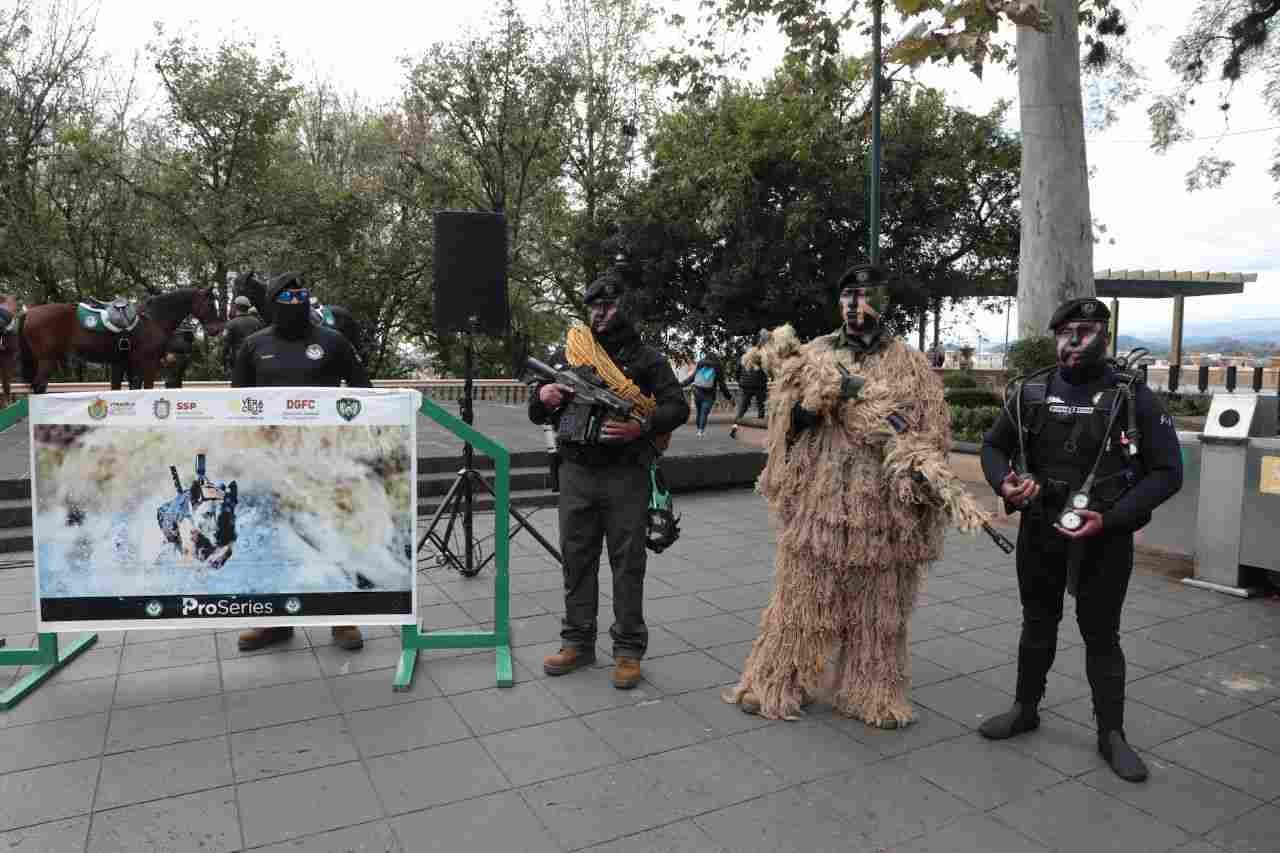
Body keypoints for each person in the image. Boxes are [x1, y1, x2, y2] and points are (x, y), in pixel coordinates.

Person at [725, 264, 993, 726]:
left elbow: (930, 432)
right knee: (802, 598)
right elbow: (781, 425)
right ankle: (777, 680)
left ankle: (871, 693)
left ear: (883, 301)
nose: (854, 304)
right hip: (821, 505)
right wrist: (809, 409)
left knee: (879, 607)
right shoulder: (814, 353)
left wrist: (918, 472)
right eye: (847, 294)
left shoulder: (911, 364)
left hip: (883, 510)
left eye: (865, 294)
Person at [978, 297, 1182, 783]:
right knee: (1037, 623)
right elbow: (992, 447)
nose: (1073, 342)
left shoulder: (1132, 397)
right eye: (1065, 332)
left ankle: (1112, 733)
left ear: (1104, 337)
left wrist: (1112, 519)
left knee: (1101, 634)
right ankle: (1025, 708)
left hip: (1103, 536)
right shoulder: (1031, 391)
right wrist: (1004, 483)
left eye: (1085, 332)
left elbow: (1168, 472)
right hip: (1040, 528)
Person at [529, 268, 689, 689]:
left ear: (624, 307)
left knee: (627, 564)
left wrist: (642, 426)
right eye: (595, 307)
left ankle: (628, 650)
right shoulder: (570, 353)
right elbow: (537, 408)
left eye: (609, 305)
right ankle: (577, 643)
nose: (600, 313)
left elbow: (678, 407)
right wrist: (542, 396)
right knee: (576, 560)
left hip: (625, 474)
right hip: (576, 472)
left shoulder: (647, 359)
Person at [232, 271, 373, 653]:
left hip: (325, 460)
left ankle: (341, 618)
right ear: (271, 304)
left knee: (329, 534)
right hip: (270, 462)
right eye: (286, 298)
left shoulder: (333, 341)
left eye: (300, 297)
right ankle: (275, 622)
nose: (294, 304)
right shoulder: (254, 345)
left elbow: (364, 395)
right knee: (272, 539)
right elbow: (235, 404)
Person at [681, 351, 733, 437]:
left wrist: (681, 384)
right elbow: (722, 385)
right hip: (709, 393)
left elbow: (692, 378)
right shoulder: (717, 366)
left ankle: (699, 429)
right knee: (704, 412)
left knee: (699, 411)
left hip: (697, 391)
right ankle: (700, 430)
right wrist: (729, 397)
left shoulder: (701, 364)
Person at [729, 329, 770, 439]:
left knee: (742, 409)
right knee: (761, 407)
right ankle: (760, 431)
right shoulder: (763, 355)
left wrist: (740, 381)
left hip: (745, 385)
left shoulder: (745, 355)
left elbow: (737, 370)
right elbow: (767, 369)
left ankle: (734, 427)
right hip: (759, 385)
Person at [223, 295, 263, 376]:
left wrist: (224, 363)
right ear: (248, 307)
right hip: (255, 360)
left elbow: (226, 346)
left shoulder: (230, 324)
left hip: (238, 362)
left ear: (235, 307)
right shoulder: (257, 322)